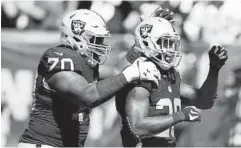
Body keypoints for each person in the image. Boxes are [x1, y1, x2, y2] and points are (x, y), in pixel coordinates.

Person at [17, 9, 161, 147]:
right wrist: (130, 74)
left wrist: (140, 45)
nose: (100, 45)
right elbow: (87, 96)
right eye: (95, 39)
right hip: (43, 143)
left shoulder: (84, 63)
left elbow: (116, 73)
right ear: (77, 35)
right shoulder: (59, 56)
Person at [115, 16, 228, 147]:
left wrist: (214, 71)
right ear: (148, 44)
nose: (171, 50)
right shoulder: (142, 77)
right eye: (166, 43)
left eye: (172, 44)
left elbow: (204, 101)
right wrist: (179, 116)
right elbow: (138, 127)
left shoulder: (170, 76)